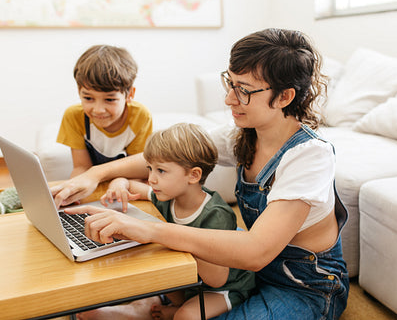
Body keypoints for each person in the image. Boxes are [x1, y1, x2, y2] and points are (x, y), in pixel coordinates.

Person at [55, 28, 350, 319]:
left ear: (285, 97)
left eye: (244, 91)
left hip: (304, 288)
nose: (229, 99)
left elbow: (256, 251)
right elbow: (171, 155)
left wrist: (149, 231)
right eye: (230, 84)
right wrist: (94, 174)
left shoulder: (310, 156)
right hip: (250, 273)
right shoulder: (245, 134)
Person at [76, 123, 255, 320]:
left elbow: (217, 279)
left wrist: (170, 238)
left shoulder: (216, 215)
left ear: (193, 175)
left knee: (186, 316)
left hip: (225, 288)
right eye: (149, 169)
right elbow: (134, 186)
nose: (151, 179)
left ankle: (174, 310)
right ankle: (167, 306)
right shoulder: (169, 195)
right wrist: (120, 183)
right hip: (190, 280)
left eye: (161, 171)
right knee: (152, 273)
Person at [57, 44, 153, 177]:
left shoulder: (140, 116)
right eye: (88, 98)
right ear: (79, 92)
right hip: (93, 182)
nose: (98, 110)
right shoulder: (73, 116)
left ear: (130, 94)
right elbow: (81, 168)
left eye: (109, 99)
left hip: (126, 181)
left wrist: (119, 183)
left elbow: (139, 170)